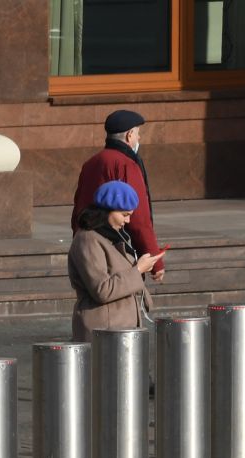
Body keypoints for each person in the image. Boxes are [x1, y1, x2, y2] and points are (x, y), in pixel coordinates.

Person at [70, 110, 161, 280]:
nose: (139, 139)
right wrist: (155, 261)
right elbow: (139, 218)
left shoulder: (91, 163)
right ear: (129, 135)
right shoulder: (127, 164)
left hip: (89, 244)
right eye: (138, 134)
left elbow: (78, 205)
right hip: (119, 248)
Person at [67, 180, 159, 340]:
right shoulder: (88, 240)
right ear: (107, 211)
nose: (127, 221)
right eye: (124, 215)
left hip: (119, 329)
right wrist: (138, 270)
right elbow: (102, 290)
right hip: (104, 329)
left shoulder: (110, 236)